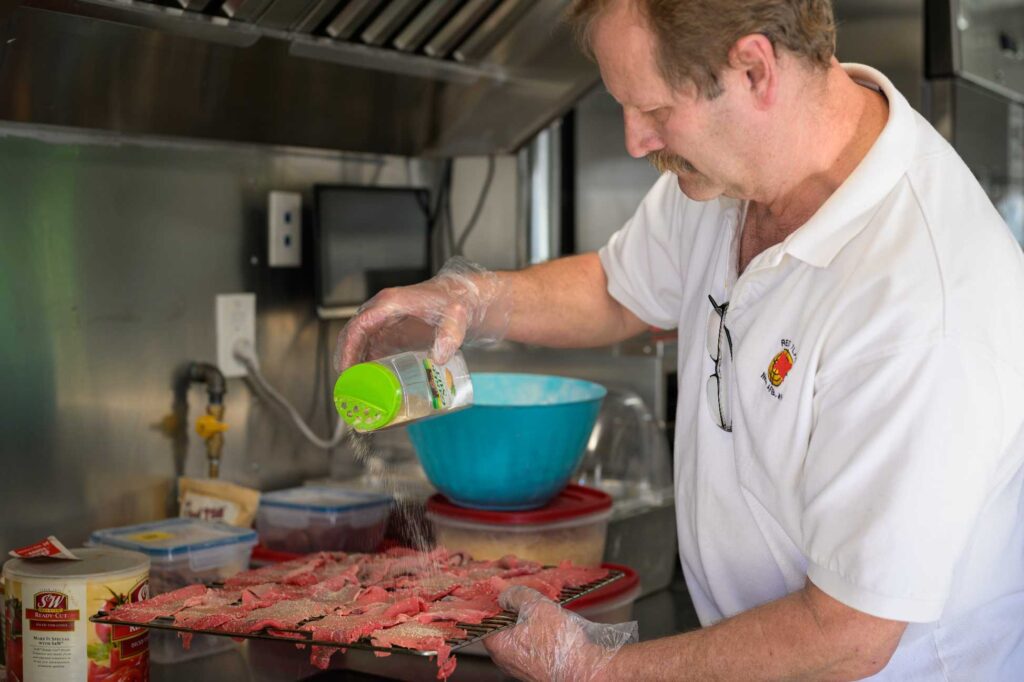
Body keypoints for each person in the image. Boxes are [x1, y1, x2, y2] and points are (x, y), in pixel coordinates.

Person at [335, 0, 1024, 679]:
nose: (636, 141)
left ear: (755, 70)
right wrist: (469, 298)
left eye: (656, 111)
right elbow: (616, 287)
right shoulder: (728, 177)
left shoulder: (921, 299)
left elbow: (845, 634)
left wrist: (597, 672)